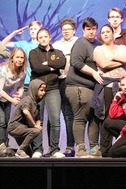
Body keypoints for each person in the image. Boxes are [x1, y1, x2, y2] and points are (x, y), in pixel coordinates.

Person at [92, 24, 126, 157]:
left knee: (124, 118)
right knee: (107, 118)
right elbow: (103, 64)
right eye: (102, 32)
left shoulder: (122, 47)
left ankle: (123, 148)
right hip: (108, 87)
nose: (105, 34)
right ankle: (106, 150)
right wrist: (120, 61)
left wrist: (112, 59)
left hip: (123, 87)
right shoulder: (98, 49)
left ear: (113, 34)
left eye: (107, 32)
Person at [65, 17, 103, 158]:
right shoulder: (81, 43)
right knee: (81, 117)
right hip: (78, 86)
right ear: (83, 30)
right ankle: (80, 148)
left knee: (94, 118)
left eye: (93, 29)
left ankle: (94, 148)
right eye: (88, 29)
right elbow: (76, 62)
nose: (91, 32)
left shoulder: (98, 44)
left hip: (94, 88)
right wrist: (93, 72)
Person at [29, 28, 66, 158]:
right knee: (37, 120)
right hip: (37, 90)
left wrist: (47, 63)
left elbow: (62, 62)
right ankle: (37, 149)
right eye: (41, 37)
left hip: (53, 88)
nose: (43, 39)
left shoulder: (57, 52)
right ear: (38, 39)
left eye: (45, 36)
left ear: (50, 37)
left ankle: (54, 149)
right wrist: (52, 67)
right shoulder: (33, 53)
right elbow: (36, 68)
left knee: (55, 119)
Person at [0, 47, 27, 157]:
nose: (20, 59)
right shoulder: (4, 69)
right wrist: (12, 100)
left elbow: (20, 86)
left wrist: (19, 93)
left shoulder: (22, 72)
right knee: (1, 120)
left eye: (22, 57)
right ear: (12, 58)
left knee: (6, 121)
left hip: (7, 97)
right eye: (17, 57)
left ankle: (4, 145)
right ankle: (1, 145)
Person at [52, 18, 78, 157]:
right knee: (62, 114)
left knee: (72, 115)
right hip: (59, 80)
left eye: (69, 29)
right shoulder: (56, 44)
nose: (66, 31)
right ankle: (57, 148)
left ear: (74, 30)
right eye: (64, 29)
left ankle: (72, 145)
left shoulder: (79, 42)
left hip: (74, 80)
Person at [7, 79, 46, 158]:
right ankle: (20, 150)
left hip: (22, 128)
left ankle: (5, 150)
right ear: (34, 89)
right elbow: (26, 111)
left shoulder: (36, 104)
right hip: (15, 127)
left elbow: (38, 118)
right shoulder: (27, 100)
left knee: (28, 154)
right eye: (41, 90)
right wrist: (34, 125)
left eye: (44, 90)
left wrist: (38, 125)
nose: (43, 92)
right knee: (35, 131)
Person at [2, 21, 42, 96]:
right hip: (25, 83)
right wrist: (14, 33)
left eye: (35, 29)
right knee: (26, 106)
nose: (33, 31)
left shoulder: (44, 45)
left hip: (40, 82)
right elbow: (3, 44)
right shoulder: (24, 44)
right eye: (31, 29)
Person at [98, 7, 126, 78]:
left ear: (122, 19)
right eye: (112, 17)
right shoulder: (101, 37)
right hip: (105, 75)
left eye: (117, 17)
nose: (115, 19)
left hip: (122, 76)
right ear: (108, 19)